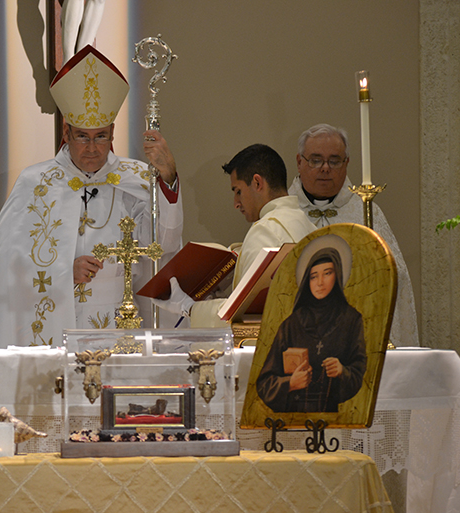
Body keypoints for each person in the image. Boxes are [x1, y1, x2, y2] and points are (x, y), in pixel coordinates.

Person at [0, 45, 183, 347]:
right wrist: (63, 270)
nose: (92, 148)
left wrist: (166, 178)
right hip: (59, 321)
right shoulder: (36, 183)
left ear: (112, 132)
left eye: (101, 136)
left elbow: (161, 247)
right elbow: (7, 264)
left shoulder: (137, 178)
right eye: (82, 137)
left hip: (122, 322)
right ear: (66, 133)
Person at [153, 144, 316, 327]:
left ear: (257, 183)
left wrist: (189, 307)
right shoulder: (308, 226)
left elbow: (248, 314)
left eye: (238, 191)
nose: (236, 203)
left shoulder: (266, 231)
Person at [288, 123, 419, 347]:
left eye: (335, 160)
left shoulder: (365, 212)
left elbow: (396, 275)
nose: (325, 168)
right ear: (300, 162)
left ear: (346, 163)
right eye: (316, 160)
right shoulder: (285, 213)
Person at [256, 235, 367, 413]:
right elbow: (264, 383)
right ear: (307, 280)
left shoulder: (351, 320)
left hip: (333, 418)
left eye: (327, 273)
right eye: (314, 276)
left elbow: (361, 375)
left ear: (337, 275)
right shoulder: (291, 324)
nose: (320, 283)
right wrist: (290, 383)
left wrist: (342, 371)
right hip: (293, 415)